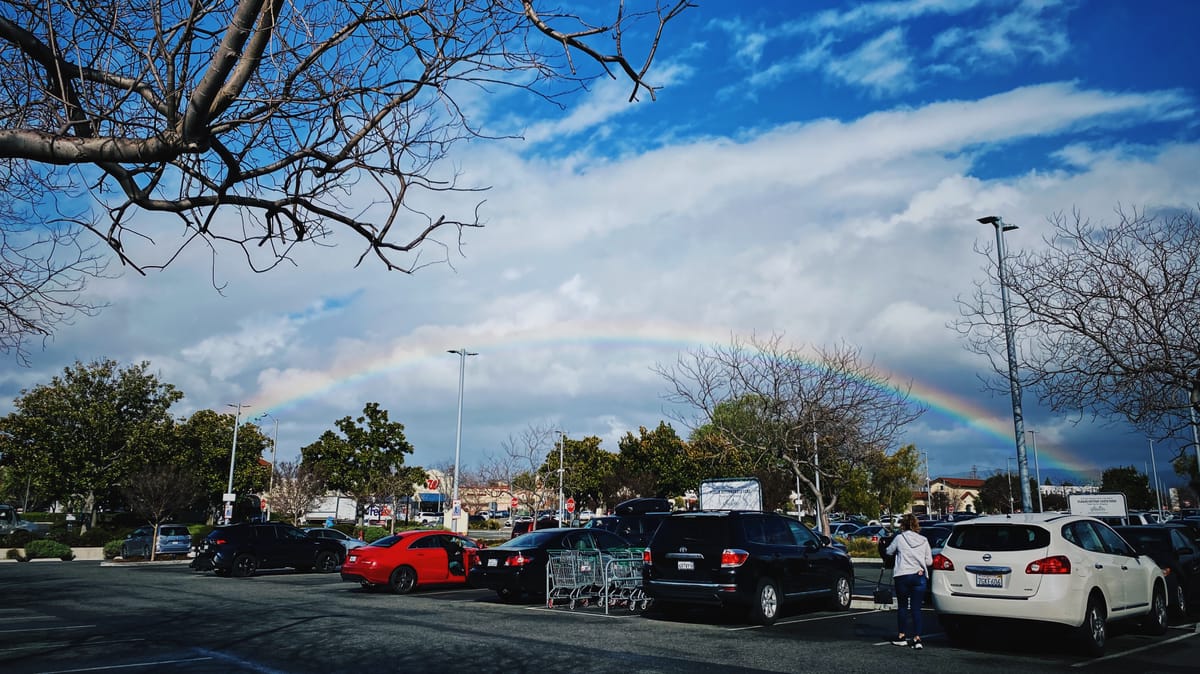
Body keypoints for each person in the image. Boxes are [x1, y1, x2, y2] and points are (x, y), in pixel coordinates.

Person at [885, 513, 934, 650]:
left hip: (902, 575)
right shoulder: (924, 540)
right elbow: (929, 561)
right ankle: (917, 638)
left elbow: (889, 551)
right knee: (916, 608)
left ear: (903, 525)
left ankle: (902, 636)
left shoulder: (899, 538)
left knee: (902, 607)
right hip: (919, 576)